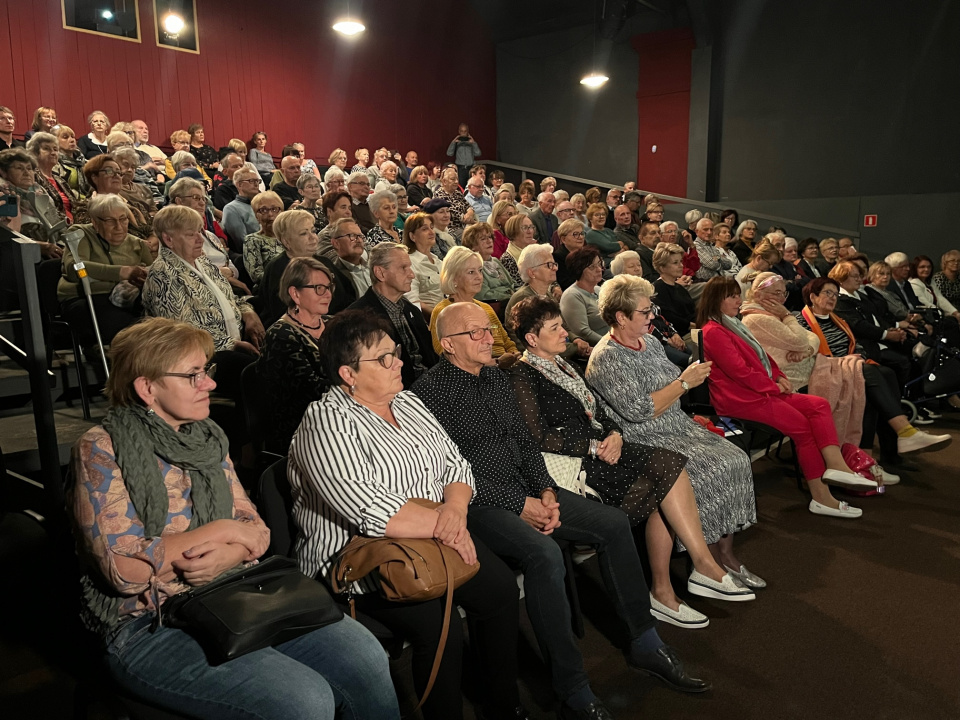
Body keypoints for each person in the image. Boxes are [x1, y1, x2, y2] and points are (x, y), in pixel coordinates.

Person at [69, 316, 398, 720]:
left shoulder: (206, 437)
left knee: (365, 657)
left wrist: (227, 555)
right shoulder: (101, 448)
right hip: (148, 623)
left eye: (205, 371)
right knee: (303, 700)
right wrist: (225, 532)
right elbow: (126, 571)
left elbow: (258, 535)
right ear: (147, 387)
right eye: (193, 375)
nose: (210, 383)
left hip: (234, 593)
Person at [413, 302, 711, 720]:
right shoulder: (429, 393)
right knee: (545, 554)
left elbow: (524, 441)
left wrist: (546, 490)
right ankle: (572, 686)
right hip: (478, 501)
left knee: (613, 522)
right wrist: (522, 504)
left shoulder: (497, 378)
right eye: (475, 333)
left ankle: (645, 643)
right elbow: (451, 468)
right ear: (448, 344)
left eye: (487, 329)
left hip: (527, 489)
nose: (488, 338)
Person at [288, 310, 523, 720]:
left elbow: (456, 465)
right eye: (383, 359)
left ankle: (502, 704)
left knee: (500, 589)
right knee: (439, 624)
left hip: (436, 534)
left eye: (394, 352)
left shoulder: (408, 402)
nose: (398, 362)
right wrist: (449, 527)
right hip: (359, 557)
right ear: (348, 374)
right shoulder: (325, 422)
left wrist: (453, 510)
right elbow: (368, 510)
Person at [509, 296, 753, 626]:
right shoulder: (523, 376)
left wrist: (613, 434)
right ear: (532, 339)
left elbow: (598, 410)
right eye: (555, 328)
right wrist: (596, 446)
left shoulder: (563, 365)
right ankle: (676, 583)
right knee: (661, 482)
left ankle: (692, 572)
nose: (565, 332)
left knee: (671, 465)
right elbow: (539, 438)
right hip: (571, 463)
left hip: (603, 445)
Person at [586, 275, 761, 583]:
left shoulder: (650, 342)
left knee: (735, 458)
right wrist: (684, 383)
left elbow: (669, 390)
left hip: (675, 424)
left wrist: (685, 399)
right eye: (644, 311)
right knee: (704, 470)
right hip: (643, 435)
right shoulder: (606, 358)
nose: (652, 315)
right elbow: (639, 411)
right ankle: (705, 563)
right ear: (620, 317)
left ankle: (726, 555)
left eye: (650, 307)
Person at [698, 277, 880, 516]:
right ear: (716, 299)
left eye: (738, 295)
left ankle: (836, 465)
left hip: (758, 392)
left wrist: (779, 377)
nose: (738, 300)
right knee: (803, 428)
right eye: (732, 296)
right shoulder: (714, 330)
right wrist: (775, 387)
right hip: (740, 400)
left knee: (819, 405)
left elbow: (762, 357)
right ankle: (822, 497)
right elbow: (740, 372)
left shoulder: (733, 324)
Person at [798, 277, 952, 467]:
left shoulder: (838, 321)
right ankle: (903, 434)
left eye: (836, 294)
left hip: (847, 369)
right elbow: (804, 354)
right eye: (827, 293)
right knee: (870, 374)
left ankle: (889, 453)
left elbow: (855, 346)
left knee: (887, 373)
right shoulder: (799, 321)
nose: (833, 298)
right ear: (812, 297)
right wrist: (848, 362)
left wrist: (856, 358)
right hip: (822, 373)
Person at [143, 205, 265, 403]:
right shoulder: (164, 275)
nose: (201, 239)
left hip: (234, 339)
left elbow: (230, 297)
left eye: (200, 232)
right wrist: (232, 344)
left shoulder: (203, 262)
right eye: (192, 235)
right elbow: (183, 332)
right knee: (256, 373)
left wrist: (247, 313)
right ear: (168, 239)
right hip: (202, 358)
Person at [56, 194, 152, 353]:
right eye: (110, 221)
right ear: (94, 221)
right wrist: (122, 272)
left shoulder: (138, 244)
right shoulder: (81, 234)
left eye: (123, 219)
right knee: (128, 327)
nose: (119, 226)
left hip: (127, 299)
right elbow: (75, 268)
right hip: (87, 297)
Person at [258, 257, 334, 453]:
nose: (328, 294)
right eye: (319, 288)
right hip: (304, 432)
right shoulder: (280, 336)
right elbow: (312, 392)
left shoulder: (333, 324)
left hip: (338, 416)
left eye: (328, 287)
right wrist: (360, 382)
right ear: (295, 294)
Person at [347, 242, 438, 388]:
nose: (412, 275)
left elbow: (430, 357)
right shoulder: (357, 318)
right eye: (404, 268)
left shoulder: (411, 310)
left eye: (410, 267)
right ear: (380, 273)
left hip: (429, 386)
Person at [428, 246, 520, 365]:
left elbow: (507, 342)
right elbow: (447, 356)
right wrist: (497, 362)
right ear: (454, 278)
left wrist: (515, 355)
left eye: (480, 270)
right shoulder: (443, 312)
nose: (479, 277)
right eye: (471, 272)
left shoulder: (486, 308)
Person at [168, 177, 246, 295]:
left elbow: (230, 263)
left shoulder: (209, 234)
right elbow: (189, 272)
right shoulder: (174, 236)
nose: (202, 203)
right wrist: (219, 274)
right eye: (196, 198)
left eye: (204, 198)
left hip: (225, 282)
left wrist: (230, 272)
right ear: (179, 201)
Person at [258, 209, 320, 328]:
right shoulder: (279, 269)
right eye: (304, 233)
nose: (313, 238)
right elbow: (286, 313)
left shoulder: (323, 261)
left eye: (313, 231)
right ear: (287, 242)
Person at [0, 147, 66, 255]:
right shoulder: (3, 196)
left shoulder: (43, 194)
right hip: (21, 257)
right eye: (19, 168)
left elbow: (58, 226)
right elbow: (6, 238)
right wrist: (36, 246)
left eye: (29, 168)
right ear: (4, 173)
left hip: (53, 251)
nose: (26, 173)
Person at [318, 217, 368, 314]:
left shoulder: (375, 267)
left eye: (360, 236)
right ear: (335, 243)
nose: (358, 240)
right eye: (352, 236)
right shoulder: (333, 277)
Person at [28, 131, 78, 225]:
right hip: (54, 228)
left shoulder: (60, 180)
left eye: (55, 149)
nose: (53, 153)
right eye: (46, 149)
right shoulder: (32, 177)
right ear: (34, 153)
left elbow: (75, 206)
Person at [560, 247, 607, 346]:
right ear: (579, 270)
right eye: (592, 267)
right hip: (598, 348)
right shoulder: (572, 295)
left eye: (599, 264)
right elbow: (583, 332)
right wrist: (612, 343)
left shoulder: (598, 289)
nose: (599, 269)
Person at [461, 222, 516, 304]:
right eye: (483, 239)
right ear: (472, 246)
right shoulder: (472, 267)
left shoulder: (496, 260)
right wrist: (510, 296)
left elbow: (512, 284)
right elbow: (484, 295)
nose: (489, 241)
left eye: (490, 237)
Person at [243, 190, 285, 287]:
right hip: (270, 288)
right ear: (256, 216)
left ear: (282, 212)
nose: (270, 214)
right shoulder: (252, 240)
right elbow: (256, 275)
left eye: (274, 209)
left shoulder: (291, 237)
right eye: (263, 210)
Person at [221, 166, 261, 250]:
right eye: (251, 181)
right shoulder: (231, 208)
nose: (256, 184)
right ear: (239, 184)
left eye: (258, 181)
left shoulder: (263, 205)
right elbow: (242, 242)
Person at [910, 254, 960, 321]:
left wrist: (955, 313)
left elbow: (940, 298)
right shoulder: (913, 283)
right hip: (925, 316)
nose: (926, 269)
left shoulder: (930, 282)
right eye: (922, 267)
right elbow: (925, 303)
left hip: (936, 314)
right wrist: (939, 312)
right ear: (915, 269)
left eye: (929, 267)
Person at [499, 213, 538, 286]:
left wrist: (554, 287)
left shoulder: (536, 251)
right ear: (513, 231)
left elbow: (549, 273)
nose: (530, 231)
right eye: (525, 228)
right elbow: (520, 286)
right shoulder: (507, 259)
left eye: (531, 227)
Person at [316, 190, 354, 258]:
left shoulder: (356, 232)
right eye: (343, 207)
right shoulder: (325, 236)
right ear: (329, 211)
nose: (348, 212)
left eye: (349, 208)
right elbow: (334, 262)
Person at [433, 167, 470, 233]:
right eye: (453, 179)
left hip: (465, 226)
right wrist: (467, 219)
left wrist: (470, 212)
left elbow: (468, 206)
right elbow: (451, 214)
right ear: (444, 181)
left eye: (457, 179)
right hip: (451, 229)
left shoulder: (458, 193)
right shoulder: (439, 195)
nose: (456, 182)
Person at [555, 218, 587, 290]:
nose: (581, 237)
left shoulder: (585, 253)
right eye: (575, 234)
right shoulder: (557, 257)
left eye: (582, 233)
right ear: (563, 239)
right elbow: (565, 282)